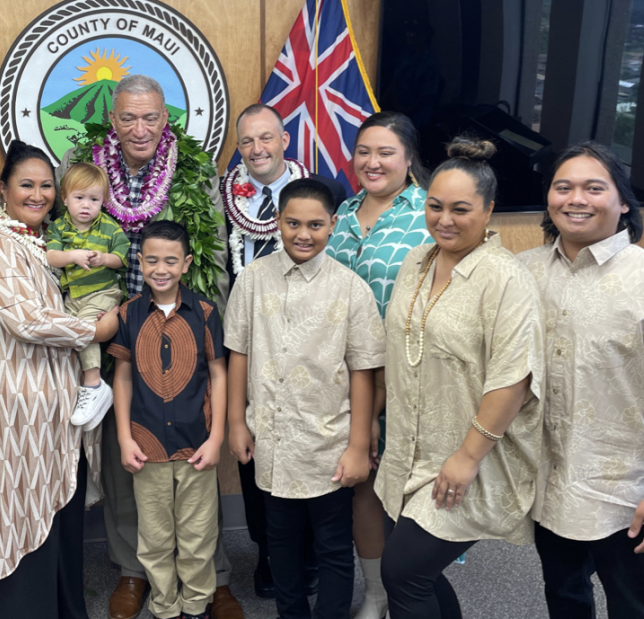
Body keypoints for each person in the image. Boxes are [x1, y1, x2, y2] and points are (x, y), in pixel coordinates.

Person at [57, 75, 241, 619]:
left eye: (151, 118)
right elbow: (63, 233)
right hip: (114, 325)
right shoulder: (85, 165)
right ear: (112, 120)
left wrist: (212, 333)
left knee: (196, 456)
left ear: (167, 119)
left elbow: (211, 253)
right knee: (127, 459)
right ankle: (134, 570)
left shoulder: (195, 169)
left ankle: (213, 577)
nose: (140, 129)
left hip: (183, 326)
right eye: (129, 118)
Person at [518, 142, 644, 619]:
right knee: (564, 597)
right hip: (546, 483)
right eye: (562, 187)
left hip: (621, 492)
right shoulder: (521, 272)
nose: (576, 199)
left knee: (633, 605)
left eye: (594, 188)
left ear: (623, 201)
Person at [375, 137, 544, 619]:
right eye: (434, 206)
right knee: (415, 575)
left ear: (489, 210)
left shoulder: (505, 278)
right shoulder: (417, 261)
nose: (444, 219)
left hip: (469, 456)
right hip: (408, 449)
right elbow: (401, 350)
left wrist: (467, 458)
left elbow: (514, 379)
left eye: (461, 209)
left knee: (403, 574)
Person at [0, 141, 119, 619]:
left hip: (55, 415)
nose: (38, 194)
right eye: (26, 185)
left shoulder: (40, 241)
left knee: (59, 529)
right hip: (12, 411)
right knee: (21, 528)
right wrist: (96, 329)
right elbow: (26, 320)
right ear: (2, 189)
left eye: (47, 185)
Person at [226, 178, 384, 619]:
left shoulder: (350, 288)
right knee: (281, 543)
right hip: (271, 443)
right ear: (277, 221)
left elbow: (363, 372)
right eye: (292, 222)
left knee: (334, 544)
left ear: (333, 225)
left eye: (316, 224)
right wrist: (237, 423)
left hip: (328, 443)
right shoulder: (254, 279)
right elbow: (238, 352)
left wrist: (356, 446)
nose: (303, 233)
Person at [221, 103, 348, 599]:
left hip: (313, 339)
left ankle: (311, 556)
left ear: (284, 140)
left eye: (266, 138)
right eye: (248, 141)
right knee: (257, 448)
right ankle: (269, 552)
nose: (257, 149)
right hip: (252, 334)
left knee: (314, 450)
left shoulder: (320, 193)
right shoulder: (223, 195)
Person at [326, 112, 432, 619]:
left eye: (385, 152)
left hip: (412, 379)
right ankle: (376, 593)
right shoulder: (340, 213)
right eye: (364, 151)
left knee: (411, 488)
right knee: (362, 485)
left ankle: (412, 587)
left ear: (409, 158)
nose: (372, 162)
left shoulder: (428, 215)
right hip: (346, 381)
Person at [108, 221, 228, 619]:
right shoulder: (128, 314)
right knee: (155, 536)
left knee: (197, 535)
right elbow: (122, 378)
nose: (161, 269)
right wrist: (125, 438)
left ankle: (196, 606)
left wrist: (217, 439)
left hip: (197, 443)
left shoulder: (206, 313)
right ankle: (164, 606)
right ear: (140, 262)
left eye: (171, 261)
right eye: (153, 260)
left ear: (187, 263)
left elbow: (219, 374)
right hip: (147, 446)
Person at [46, 162, 128, 430]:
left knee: (87, 328)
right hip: (73, 296)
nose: (86, 205)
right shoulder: (58, 227)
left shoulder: (109, 227)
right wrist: (72, 255)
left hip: (103, 292)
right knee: (68, 333)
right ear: (65, 198)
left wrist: (104, 258)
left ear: (103, 201)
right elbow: (51, 256)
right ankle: (75, 387)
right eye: (79, 198)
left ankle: (93, 384)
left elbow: (122, 258)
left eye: (93, 199)